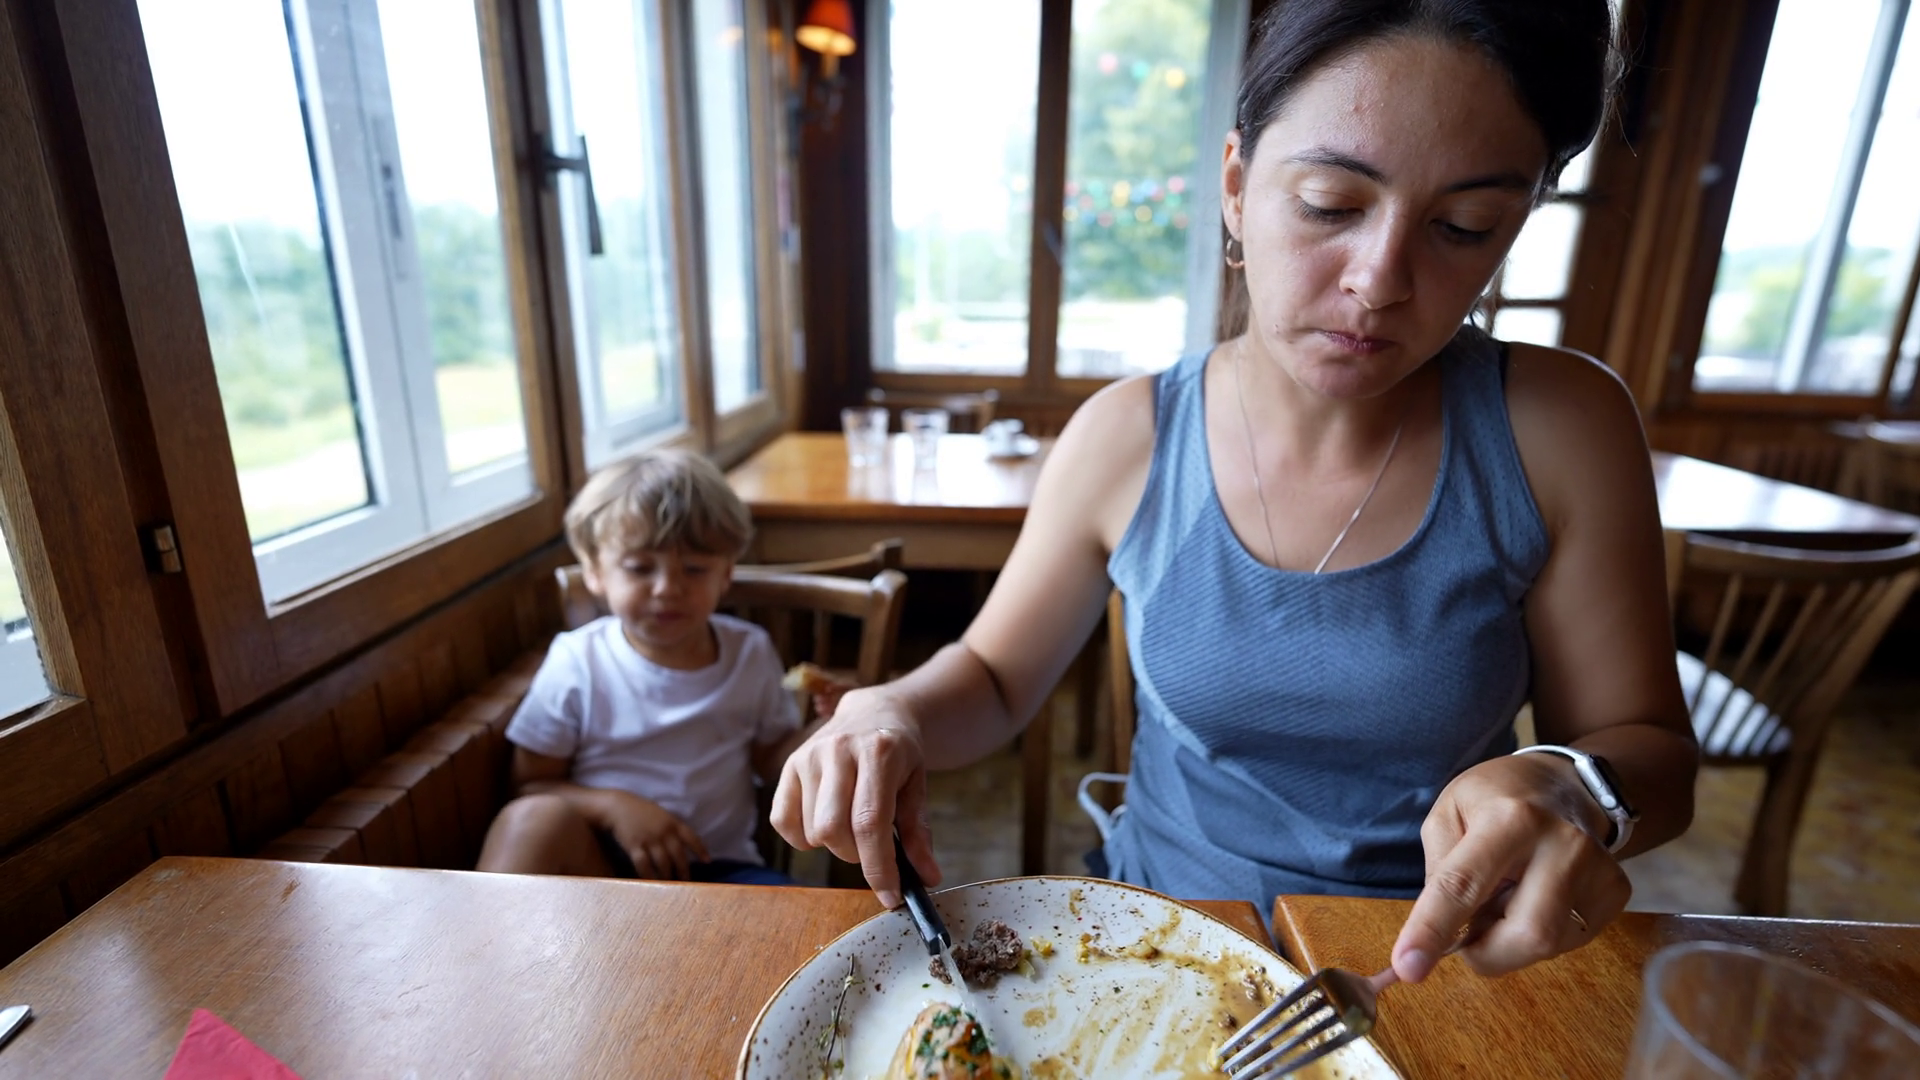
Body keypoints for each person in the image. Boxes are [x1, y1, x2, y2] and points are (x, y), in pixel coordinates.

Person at [774, 0, 1697, 984]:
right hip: (1158, 945)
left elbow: (1653, 754)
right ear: (1235, 185)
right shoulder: (1128, 436)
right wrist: (893, 709)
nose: (1380, 279)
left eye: (1462, 228)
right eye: (1331, 205)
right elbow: (997, 680)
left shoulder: (1559, 429)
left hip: (1427, 971)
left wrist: (1574, 784)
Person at [477, 449, 808, 885]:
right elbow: (529, 786)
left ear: (726, 573)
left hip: (723, 871)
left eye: (694, 569)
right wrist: (615, 808)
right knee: (529, 821)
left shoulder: (750, 651)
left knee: (812, 923)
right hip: (601, 872)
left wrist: (829, 724)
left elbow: (771, 763)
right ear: (595, 572)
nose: (668, 588)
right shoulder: (578, 661)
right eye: (639, 569)